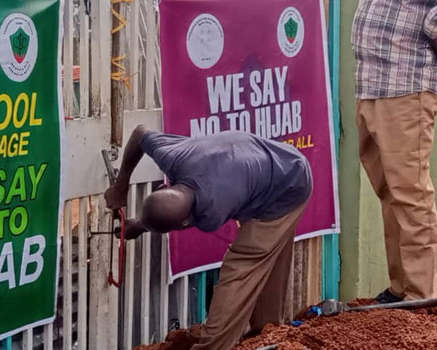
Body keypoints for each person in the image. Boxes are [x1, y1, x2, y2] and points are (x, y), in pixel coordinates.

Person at [104, 125, 312, 350]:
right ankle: (267, 333)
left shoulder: (212, 208)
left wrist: (142, 225)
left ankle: (214, 345)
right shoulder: (174, 157)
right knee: (267, 256)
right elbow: (140, 133)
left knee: (240, 267)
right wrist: (121, 184)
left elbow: (180, 216)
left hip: (288, 187)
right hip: (281, 162)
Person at [352, 0, 437, 303]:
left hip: (407, 79)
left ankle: (420, 296)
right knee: (389, 190)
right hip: (373, 81)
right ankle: (401, 289)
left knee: (409, 191)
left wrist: (436, 20)